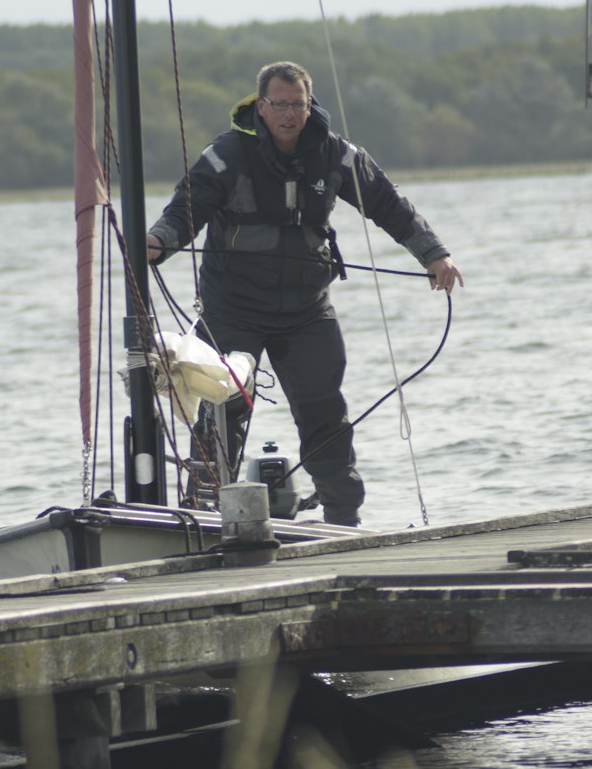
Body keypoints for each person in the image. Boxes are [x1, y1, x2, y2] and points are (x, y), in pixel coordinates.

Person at [147, 60, 462, 526]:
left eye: (298, 104)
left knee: (324, 412)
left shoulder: (335, 153)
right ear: (261, 106)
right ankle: (204, 513)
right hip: (233, 309)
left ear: (309, 104)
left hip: (307, 309)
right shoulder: (226, 154)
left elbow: (388, 203)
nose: (290, 114)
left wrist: (434, 254)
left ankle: (343, 518)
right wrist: (158, 242)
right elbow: (185, 209)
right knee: (222, 408)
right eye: (280, 104)